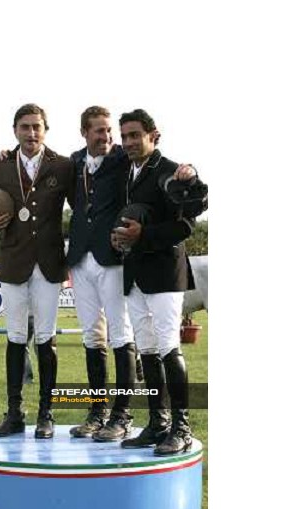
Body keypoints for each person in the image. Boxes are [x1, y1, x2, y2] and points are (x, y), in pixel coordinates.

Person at [0, 103, 73, 439]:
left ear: (45, 130)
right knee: (14, 337)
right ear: (15, 131)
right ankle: (14, 413)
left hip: (50, 264)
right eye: (25, 127)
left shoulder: (64, 166)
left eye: (37, 126)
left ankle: (46, 413)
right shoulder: (0, 166)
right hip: (12, 263)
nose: (31, 133)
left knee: (46, 338)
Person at [111, 109, 204, 456]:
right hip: (133, 272)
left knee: (168, 347)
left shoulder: (170, 171)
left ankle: (181, 426)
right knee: (147, 349)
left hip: (165, 273)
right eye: (125, 136)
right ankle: (157, 422)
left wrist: (144, 234)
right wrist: (118, 238)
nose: (130, 142)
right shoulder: (125, 172)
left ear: (154, 136)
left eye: (136, 135)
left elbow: (187, 223)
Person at [65, 106, 138, 442]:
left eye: (109, 131)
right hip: (80, 259)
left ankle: (122, 415)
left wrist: (187, 169)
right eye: (99, 131)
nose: (107, 137)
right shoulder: (74, 161)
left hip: (113, 258)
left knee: (120, 334)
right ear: (85, 132)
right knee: (92, 336)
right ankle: (97, 412)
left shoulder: (124, 159)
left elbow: (153, 159)